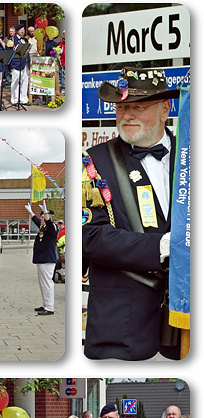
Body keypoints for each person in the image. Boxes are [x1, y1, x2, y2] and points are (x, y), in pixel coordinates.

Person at [82, 67, 182, 360]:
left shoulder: (191, 156)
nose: (127, 115)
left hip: (187, 322)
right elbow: (90, 236)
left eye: (139, 106)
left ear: (165, 109)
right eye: (122, 107)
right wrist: (160, 247)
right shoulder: (93, 163)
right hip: (121, 326)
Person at [25, 202, 58, 315]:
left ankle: (49, 307)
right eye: (42, 217)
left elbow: (49, 225)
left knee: (47, 283)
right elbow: (37, 221)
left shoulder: (52, 227)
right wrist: (31, 212)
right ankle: (45, 304)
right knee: (42, 283)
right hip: (41, 259)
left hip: (47, 260)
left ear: (49, 217)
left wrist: (46, 214)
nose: (41, 219)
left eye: (44, 217)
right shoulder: (43, 227)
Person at [7, 23, 30, 107]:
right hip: (16, 64)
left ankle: (23, 99)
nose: (23, 31)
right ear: (17, 31)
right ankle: (14, 100)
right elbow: (9, 52)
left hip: (25, 63)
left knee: (25, 82)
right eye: (21, 30)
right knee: (15, 82)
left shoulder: (25, 40)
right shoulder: (13, 40)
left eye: (24, 29)